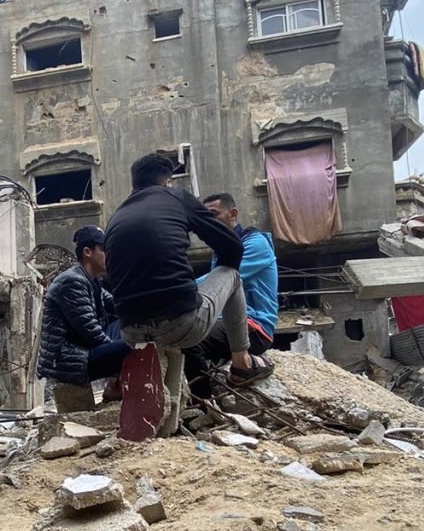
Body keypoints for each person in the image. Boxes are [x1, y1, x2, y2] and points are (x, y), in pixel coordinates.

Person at [104, 154, 263, 385]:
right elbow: (231, 246)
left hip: (130, 333)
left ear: (134, 184)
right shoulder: (176, 197)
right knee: (232, 275)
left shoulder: (115, 218)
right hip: (181, 324)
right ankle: (243, 364)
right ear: (167, 181)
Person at [184, 193, 279, 399]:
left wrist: (179, 290)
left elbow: (216, 283)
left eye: (213, 214)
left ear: (233, 213)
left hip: (254, 326)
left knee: (191, 341)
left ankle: (203, 404)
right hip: (226, 322)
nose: (208, 222)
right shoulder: (221, 251)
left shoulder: (255, 244)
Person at [37, 226, 130, 390]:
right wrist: (116, 350)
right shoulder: (72, 281)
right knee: (134, 345)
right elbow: (91, 332)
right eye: (104, 250)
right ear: (88, 252)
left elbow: (119, 306)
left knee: (134, 324)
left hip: (86, 349)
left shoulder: (93, 280)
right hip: (70, 360)